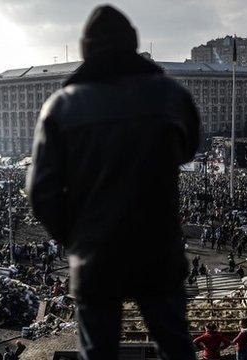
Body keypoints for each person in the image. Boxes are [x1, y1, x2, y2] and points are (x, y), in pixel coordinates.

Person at [27, 4, 199, 360]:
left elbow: (41, 192)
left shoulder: (60, 107)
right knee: (176, 347)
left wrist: (77, 238)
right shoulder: (170, 95)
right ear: (132, 43)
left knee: (97, 353)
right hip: (159, 249)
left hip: (95, 256)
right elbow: (188, 151)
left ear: (85, 50)